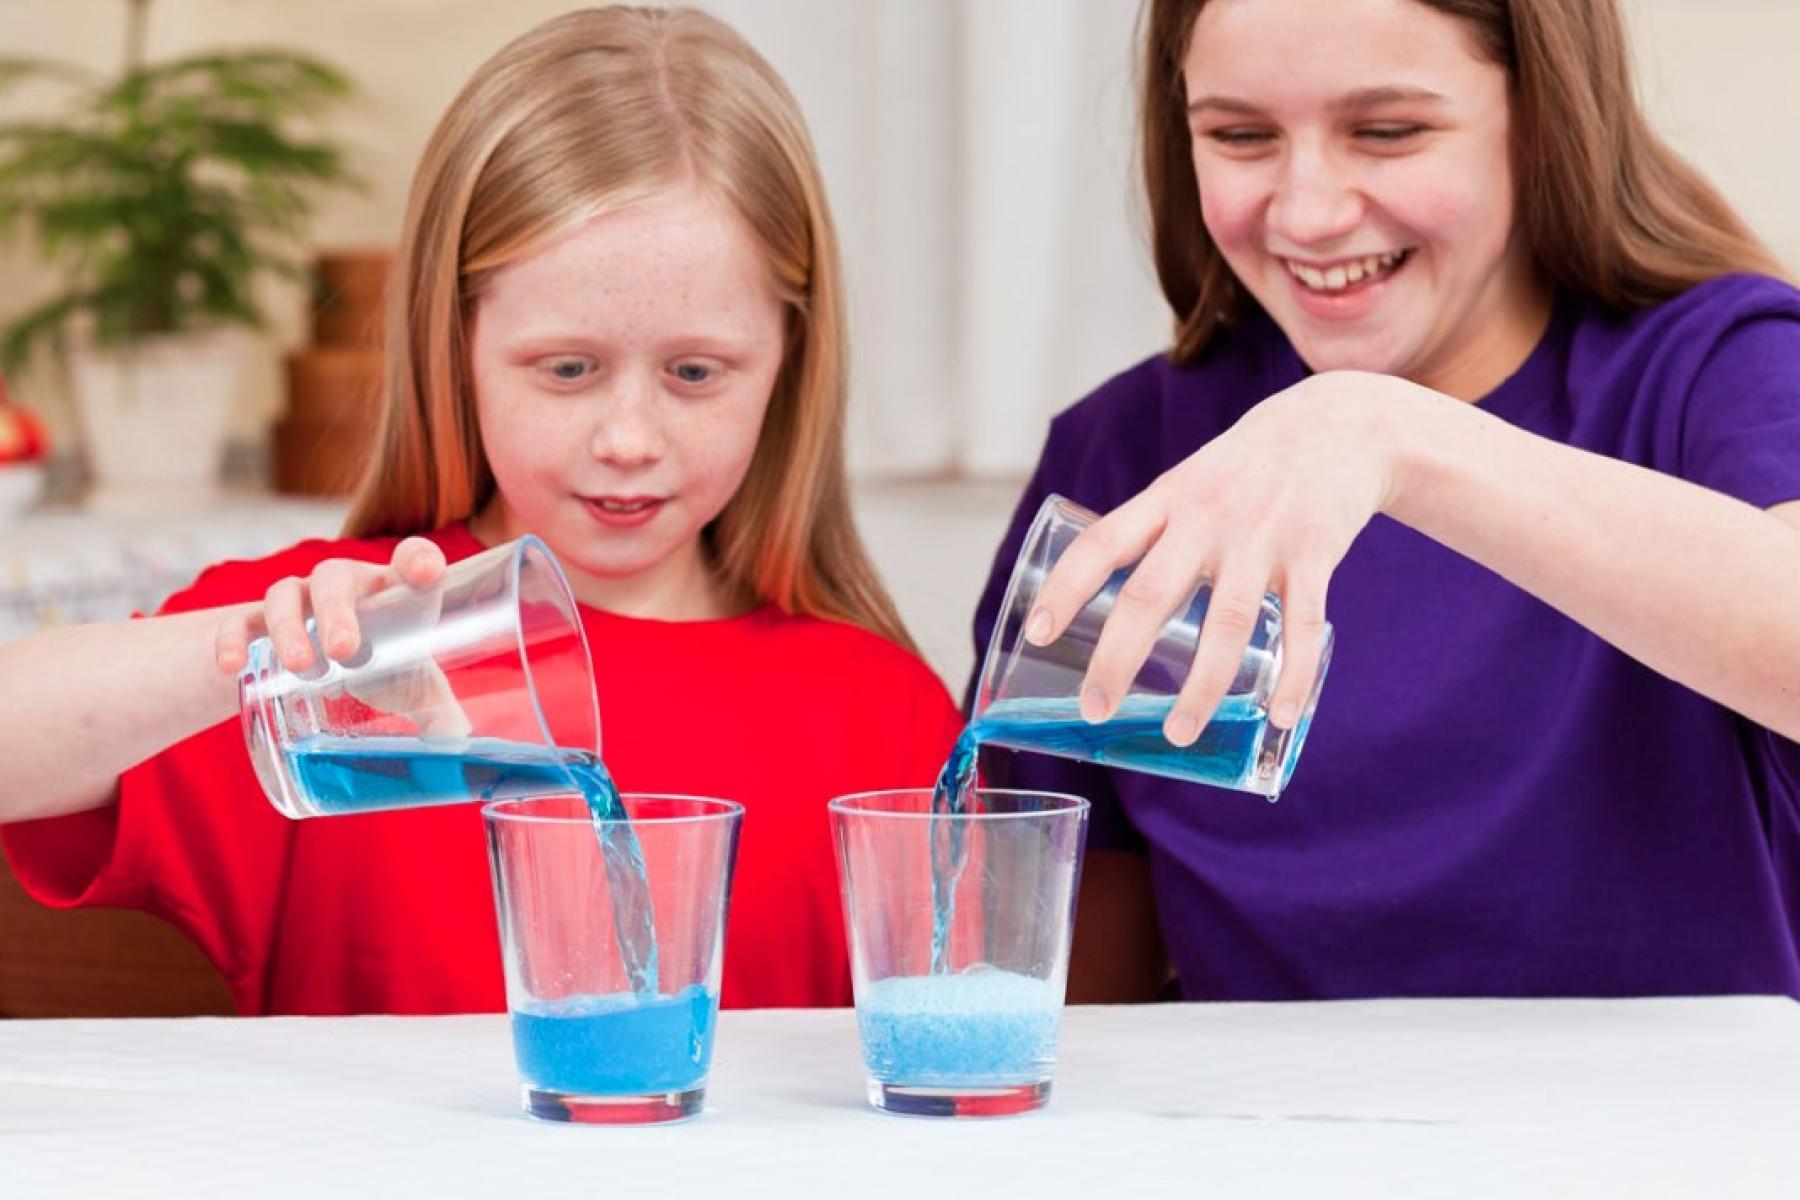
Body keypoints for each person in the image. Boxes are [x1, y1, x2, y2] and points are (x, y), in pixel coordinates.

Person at [0, 6, 961, 1016]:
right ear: (453, 343)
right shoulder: (339, 660)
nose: (628, 437)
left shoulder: (882, 716)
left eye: (693, 372)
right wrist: (259, 653)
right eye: (567, 368)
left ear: (788, 361)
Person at [975, 0, 1800, 1003]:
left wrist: (1391, 436)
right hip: (1264, 1151)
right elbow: (1077, 1009)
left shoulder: (1719, 370)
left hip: (1665, 1149)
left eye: (1388, 132)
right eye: (1240, 137)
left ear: (1542, 118)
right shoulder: (1123, 455)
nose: (1308, 211)